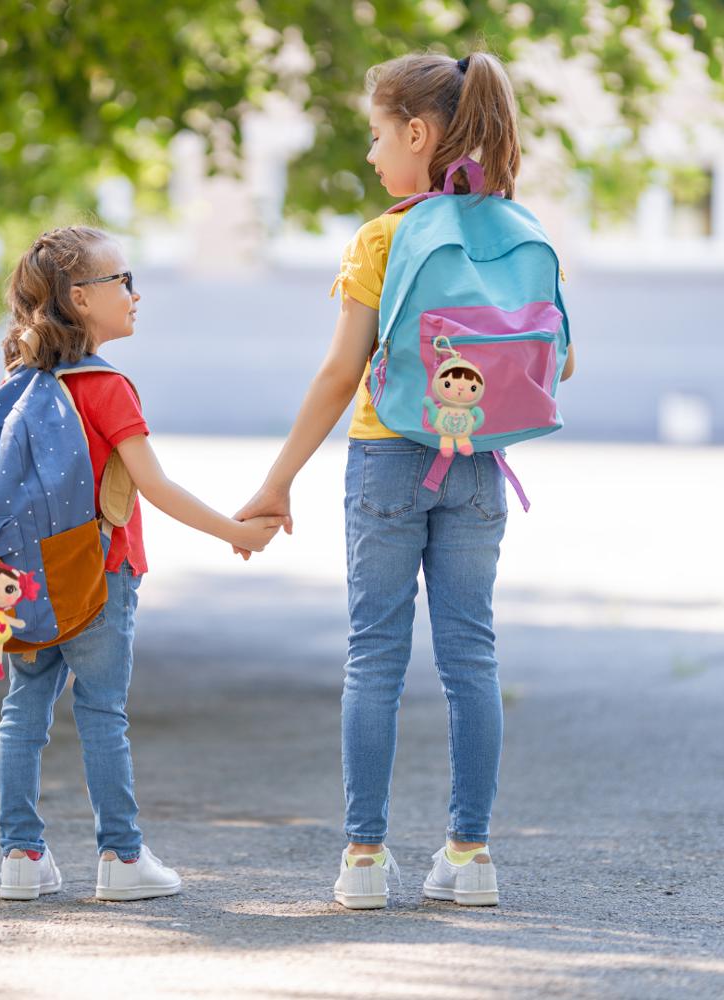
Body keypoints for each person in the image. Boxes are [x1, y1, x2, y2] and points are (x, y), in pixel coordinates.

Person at [234, 51, 576, 910]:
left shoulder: (382, 237)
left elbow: (338, 373)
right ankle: (471, 856)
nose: (371, 154)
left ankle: (362, 860)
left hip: (388, 455)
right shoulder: (519, 227)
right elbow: (560, 363)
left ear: (417, 134)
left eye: (378, 136)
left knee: (374, 657)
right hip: (479, 468)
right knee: (473, 658)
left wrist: (277, 482)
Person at [0, 224, 285, 902]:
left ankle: (20, 854)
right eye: (121, 281)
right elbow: (152, 487)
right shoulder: (107, 387)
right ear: (79, 298)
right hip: (100, 572)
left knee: (23, 709)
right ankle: (121, 859)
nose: (135, 294)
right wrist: (234, 531)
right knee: (101, 713)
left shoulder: (21, 381)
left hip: (30, 576)